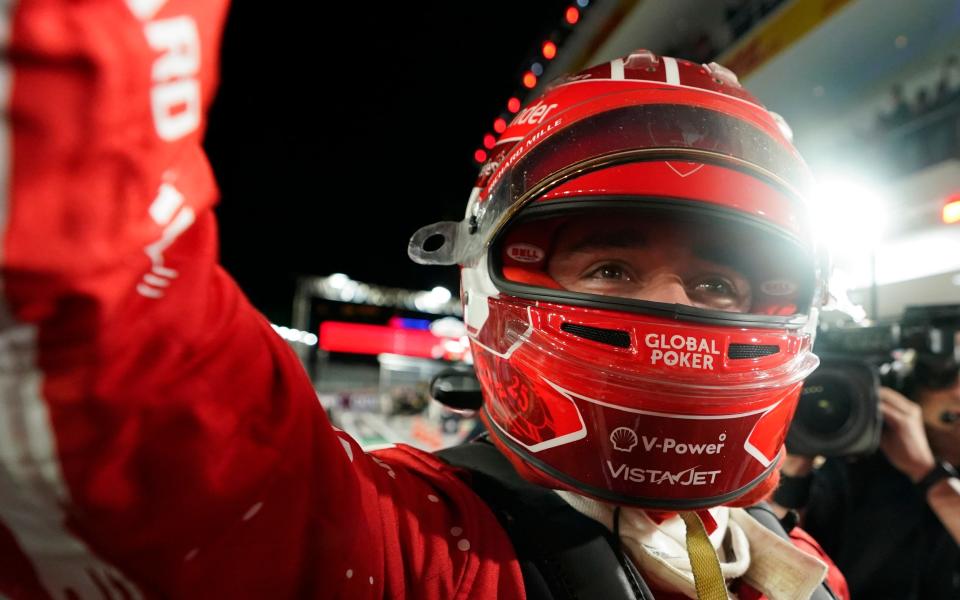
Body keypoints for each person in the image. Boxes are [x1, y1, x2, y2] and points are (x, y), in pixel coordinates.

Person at [0, 2, 842, 595]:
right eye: (612, 270)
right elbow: (111, 349)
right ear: (486, 285)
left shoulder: (803, 562)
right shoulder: (405, 541)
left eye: (716, 285)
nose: (673, 309)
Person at [774, 355, 960, 599]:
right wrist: (797, 466)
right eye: (944, 378)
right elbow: (780, 552)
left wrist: (926, 471)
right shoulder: (850, 464)